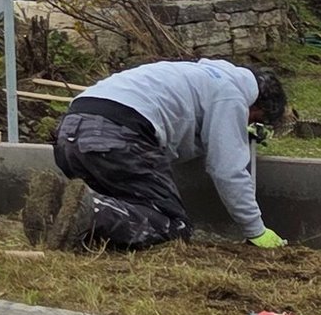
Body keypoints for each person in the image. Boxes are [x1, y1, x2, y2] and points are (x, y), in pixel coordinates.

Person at [24, 58, 290, 252]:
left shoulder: (201, 75)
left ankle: (58, 208)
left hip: (72, 129)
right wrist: (256, 230)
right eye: (256, 119)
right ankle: (92, 210)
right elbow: (227, 171)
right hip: (118, 134)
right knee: (173, 226)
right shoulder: (231, 97)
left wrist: (236, 134)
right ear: (257, 105)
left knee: (129, 203)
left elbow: (176, 140)